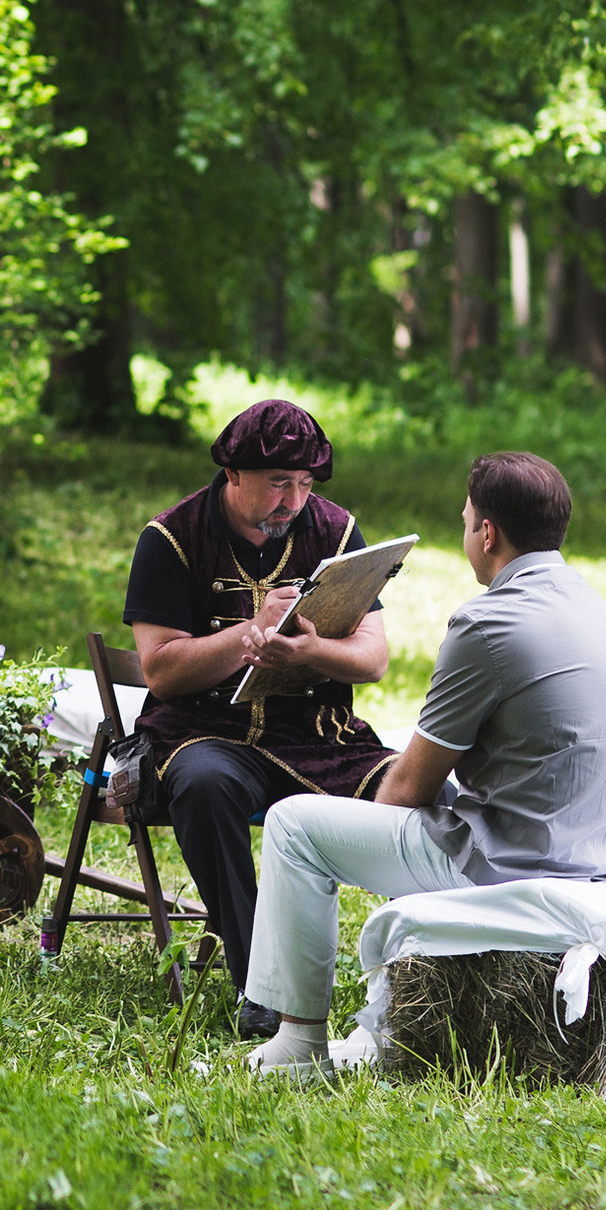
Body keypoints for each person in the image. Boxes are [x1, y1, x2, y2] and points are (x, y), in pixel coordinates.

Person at [241, 451, 606, 1079]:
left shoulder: (487, 622)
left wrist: (385, 871)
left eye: (466, 522)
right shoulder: (599, 611)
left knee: (296, 827)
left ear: (486, 533)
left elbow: (407, 788)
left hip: (515, 861)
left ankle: (297, 1046)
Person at [120, 398, 393, 1038]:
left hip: (320, 737)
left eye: (303, 485)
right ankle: (261, 987)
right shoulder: (170, 539)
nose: (293, 502)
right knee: (206, 784)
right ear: (233, 474)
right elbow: (159, 669)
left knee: (420, 788)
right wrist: (251, 633)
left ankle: (426, 980)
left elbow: (373, 657)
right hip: (203, 734)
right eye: (277, 484)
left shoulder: (336, 531)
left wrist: (310, 650)